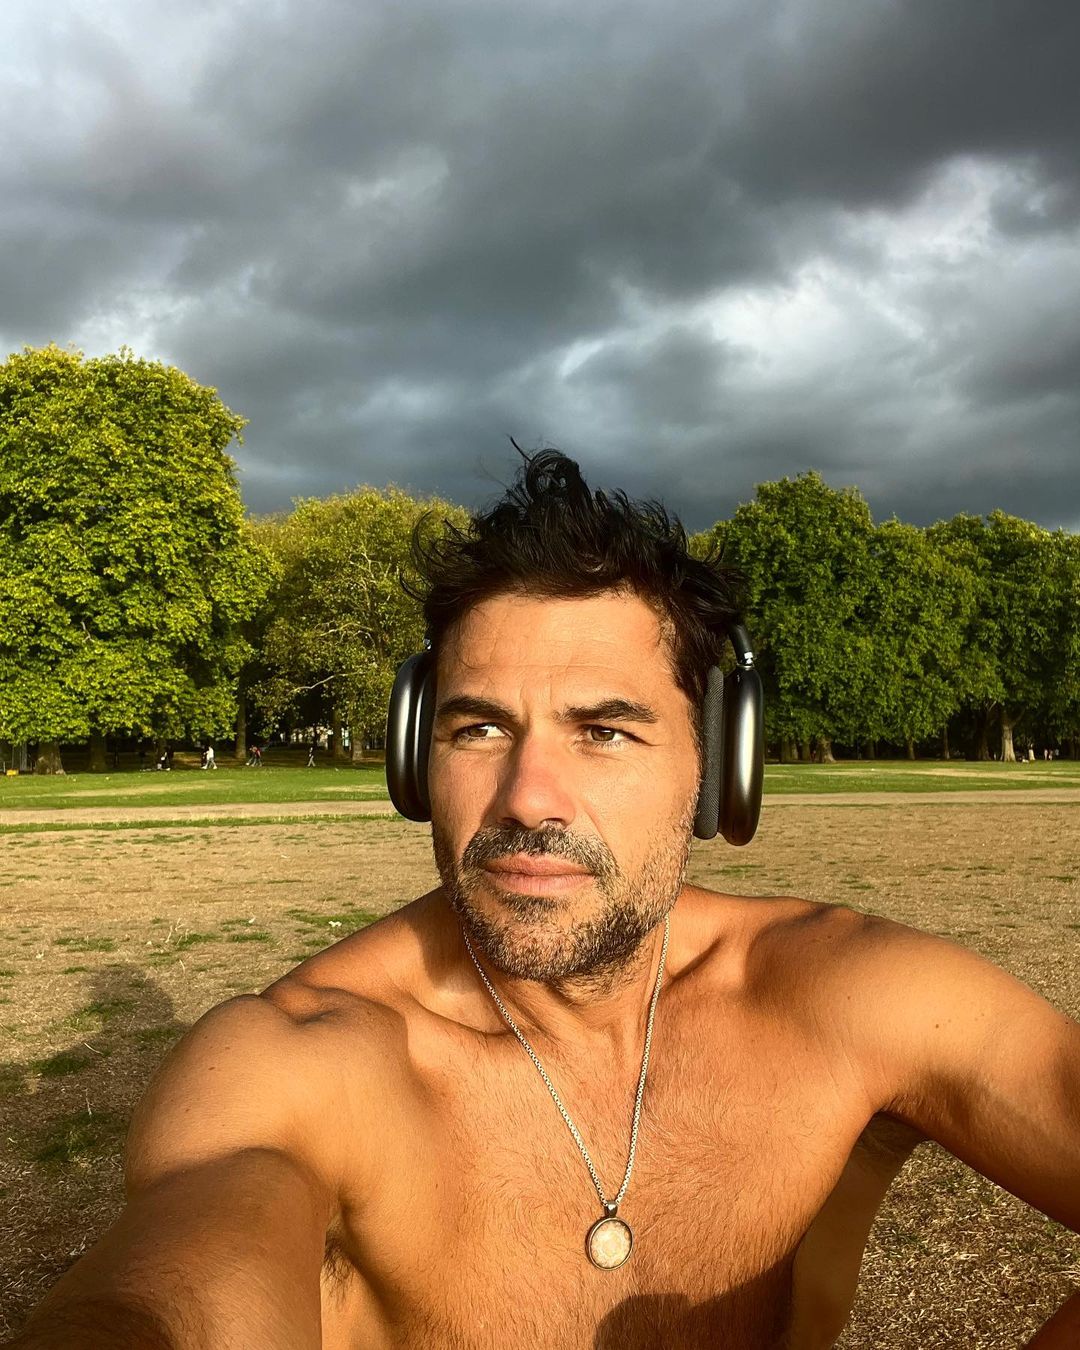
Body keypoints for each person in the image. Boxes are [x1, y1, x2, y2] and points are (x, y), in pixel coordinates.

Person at [10, 452, 1080, 1350]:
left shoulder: (848, 995)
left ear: (717, 770)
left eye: (604, 731)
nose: (527, 798)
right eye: (479, 728)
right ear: (414, 760)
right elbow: (179, 1292)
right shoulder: (304, 1056)